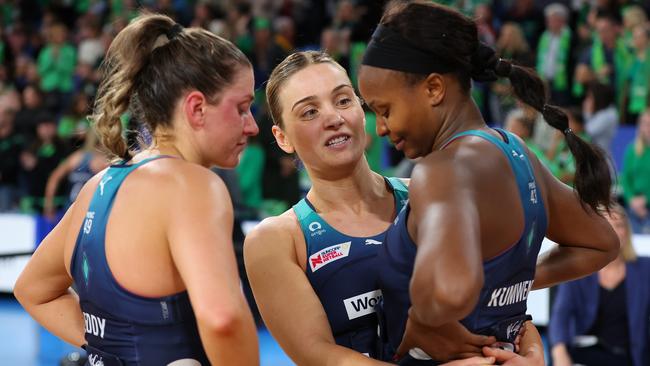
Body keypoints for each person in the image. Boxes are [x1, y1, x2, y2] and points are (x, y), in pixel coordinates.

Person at [357, 1, 619, 364]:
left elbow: (451, 291)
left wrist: (420, 319)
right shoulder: (517, 153)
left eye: (385, 110)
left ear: (434, 88)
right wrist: (515, 285)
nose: (381, 127)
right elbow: (601, 243)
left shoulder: (441, 171)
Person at [13, 13, 259, 365]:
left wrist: (118, 348)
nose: (251, 126)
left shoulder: (98, 186)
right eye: (242, 108)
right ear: (197, 108)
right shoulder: (194, 186)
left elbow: (33, 291)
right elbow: (222, 319)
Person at [244, 51, 507, 366]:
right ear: (282, 137)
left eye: (343, 100)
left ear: (360, 107)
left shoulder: (431, 193)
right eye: (310, 111)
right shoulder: (277, 240)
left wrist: (530, 352)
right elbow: (320, 357)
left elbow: (503, 294)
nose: (333, 118)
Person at [550, 204, 650, 366]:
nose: (614, 232)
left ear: (627, 231)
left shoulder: (645, 269)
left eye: (619, 225)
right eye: (606, 226)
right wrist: (559, 353)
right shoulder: (579, 270)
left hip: (627, 358)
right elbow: (560, 315)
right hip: (585, 355)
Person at [43, 130, 109, 220]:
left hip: (70, 208)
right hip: (90, 212)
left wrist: (49, 204)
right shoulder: (102, 163)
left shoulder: (76, 158)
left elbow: (54, 177)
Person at [621, 110, 650, 234]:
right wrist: (632, 200)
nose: (648, 128)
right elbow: (625, 179)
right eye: (645, 124)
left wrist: (646, 199)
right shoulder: (631, 151)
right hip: (633, 206)